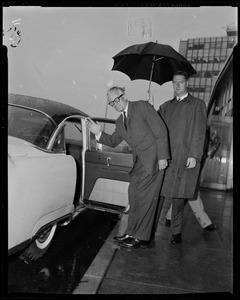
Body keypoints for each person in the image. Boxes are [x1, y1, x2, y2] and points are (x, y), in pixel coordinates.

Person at [87, 86, 169, 249]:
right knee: (133, 196)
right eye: (111, 103)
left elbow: (161, 131)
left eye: (116, 99)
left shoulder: (142, 106)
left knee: (145, 199)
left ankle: (142, 238)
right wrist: (98, 133)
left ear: (124, 96)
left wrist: (163, 157)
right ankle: (131, 233)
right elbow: (112, 141)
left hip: (153, 160)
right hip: (139, 163)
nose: (115, 104)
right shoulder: (119, 121)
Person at [157, 70, 207, 245]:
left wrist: (194, 154)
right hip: (168, 158)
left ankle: (176, 233)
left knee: (179, 197)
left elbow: (200, 131)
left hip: (185, 157)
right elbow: (157, 127)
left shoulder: (197, 105)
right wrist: (150, 106)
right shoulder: (166, 107)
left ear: (187, 83)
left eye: (180, 82)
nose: (177, 86)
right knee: (159, 195)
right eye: (174, 82)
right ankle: (148, 231)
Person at [165, 126, 221, 231]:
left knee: (188, 191)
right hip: (183, 160)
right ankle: (205, 223)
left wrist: (208, 153)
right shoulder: (187, 123)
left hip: (198, 161)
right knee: (190, 191)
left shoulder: (207, 128)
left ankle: (169, 217)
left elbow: (217, 140)